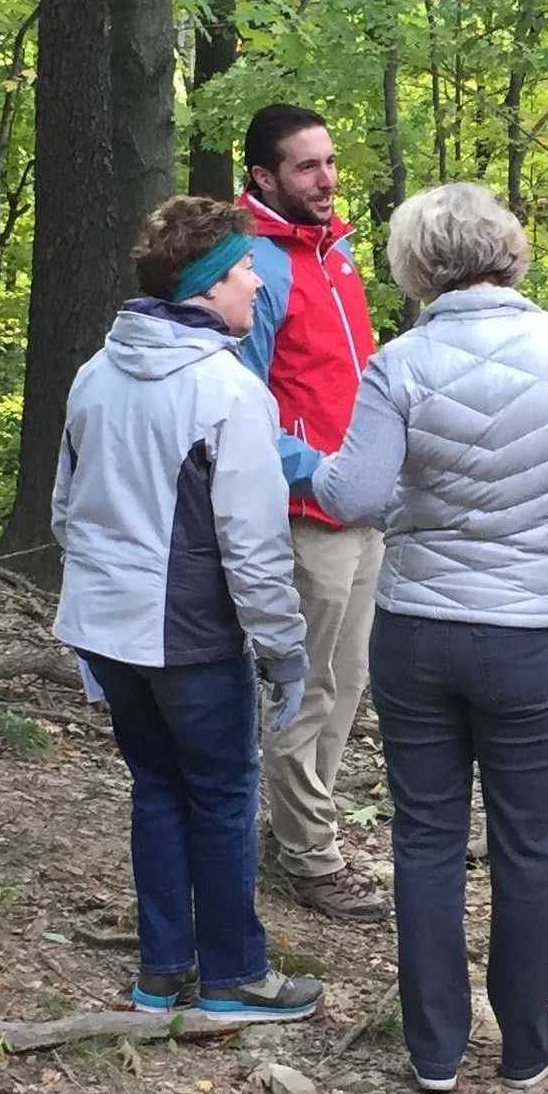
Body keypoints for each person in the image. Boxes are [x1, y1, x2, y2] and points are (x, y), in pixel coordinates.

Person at [310, 184, 548, 1094]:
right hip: (533, 631)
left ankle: (436, 1047)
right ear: (510, 247)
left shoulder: (399, 361)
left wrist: (414, 509)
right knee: (529, 842)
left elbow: (350, 498)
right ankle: (529, 1039)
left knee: (425, 837)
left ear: (416, 264)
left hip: (418, 629)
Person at [51, 196, 323, 1027]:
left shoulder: (95, 374)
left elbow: (66, 509)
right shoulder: (227, 390)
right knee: (222, 790)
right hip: (189, 635)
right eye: (245, 269)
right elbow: (253, 544)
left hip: (106, 629)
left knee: (157, 788)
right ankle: (235, 973)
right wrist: (283, 651)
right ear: (207, 286)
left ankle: (162, 972)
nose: (256, 283)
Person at [239, 104, 388, 924]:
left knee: (348, 683)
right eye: (306, 167)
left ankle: (300, 831)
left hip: (361, 510)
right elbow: (245, 403)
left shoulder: (334, 252)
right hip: (305, 513)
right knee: (306, 689)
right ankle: (310, 858)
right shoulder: (260, 264)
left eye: (329, 162)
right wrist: (321, 471)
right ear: (264, 176)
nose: (326, 179)